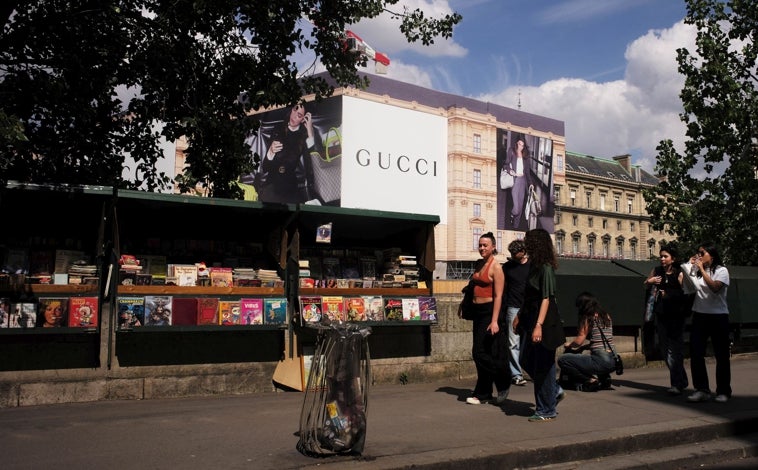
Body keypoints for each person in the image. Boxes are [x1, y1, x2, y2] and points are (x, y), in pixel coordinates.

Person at [514, 228, 564, 421]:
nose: (525, 244)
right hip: (532, 317)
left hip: (544, 320)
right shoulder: (535, 265)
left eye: (528, 241)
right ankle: (553, 393)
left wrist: (538, 325)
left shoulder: (545, 267)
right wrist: (519, 315)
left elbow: (546, 298)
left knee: (543, 364)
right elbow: (530, 296)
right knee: (528, 360)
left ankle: (545, 409)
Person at [459, 232, 509, 405]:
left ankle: (503, 379)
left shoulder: (497, 267)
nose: (481, 248)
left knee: (479, 352)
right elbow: (472, 287)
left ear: (493, 247)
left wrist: (494, 320)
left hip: (489, 312)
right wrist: (464, 305)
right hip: (478, 312)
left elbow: (498, 296)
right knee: (482, 353)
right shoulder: (479, 264)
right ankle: (483, 393)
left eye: (485, 245)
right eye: (480, 245)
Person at [682, 243, 731, 403]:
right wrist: (689, 267)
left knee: (721, 355)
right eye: (698, 253)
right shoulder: (696, 270)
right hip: (700, 315)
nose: (699, 255)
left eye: (702, 253)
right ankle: (702, 389)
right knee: (696, 354)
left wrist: (702, 270)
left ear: (712, 255)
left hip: (718, 316)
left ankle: (723, 391)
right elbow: (685, 287)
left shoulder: (722, 271)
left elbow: (715, 288)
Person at [644, 243, 688, 395]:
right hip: (661, 315)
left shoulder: (679, 273)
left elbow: (685, 294)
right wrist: (649, 282)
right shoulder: (656, 271)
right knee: (664, 349)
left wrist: (668, 295)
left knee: (676, 350)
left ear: (673, 258)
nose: (662, 259)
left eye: (665, 256)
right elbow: (646, 285)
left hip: (676, 316)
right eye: (661, 256)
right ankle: (681, 378)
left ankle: (676, 383)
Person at [256, 102, 322, 204]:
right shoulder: (278, 128)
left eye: (299, 115)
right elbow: (265, 167)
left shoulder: (303, 135)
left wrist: (310, 133)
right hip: (272, 184)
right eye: (295, 110)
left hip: (290, 187)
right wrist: (271, 152)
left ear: (303, 119)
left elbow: (314, 163)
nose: (294, 116)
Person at [558, 292, 616, 392]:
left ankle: (590, 380)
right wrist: (585, 347)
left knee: (563, 360)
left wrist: (569, 344)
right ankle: (605, 378)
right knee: (592, 358)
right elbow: (603, 341)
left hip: (600, 361)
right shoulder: (606, 316)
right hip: (614, 361)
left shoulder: (588, 318)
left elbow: (579, 340)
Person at [502, 239, 529, 387]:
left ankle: (528, 370)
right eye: (511, 253)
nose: (512, 255)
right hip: (513, 306)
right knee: (513, 342)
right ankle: (516, 374)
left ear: (523, 252)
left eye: (515, 253)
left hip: (529, 307)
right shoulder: (507, 267)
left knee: (528, 341)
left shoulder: (532, 266)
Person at [504, 134, 529, 229]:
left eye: (522, 145)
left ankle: (516, 227)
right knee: (517, 208)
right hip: (515, 181)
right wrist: (511, 171)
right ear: (516, 143)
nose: (521, 147)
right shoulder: (511, 151)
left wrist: (530, 184)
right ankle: (512, 214)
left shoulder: (525, 154)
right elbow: (506, 165)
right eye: (519, 144)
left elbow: (527, 172)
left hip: (523, 181)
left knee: (521, 206)